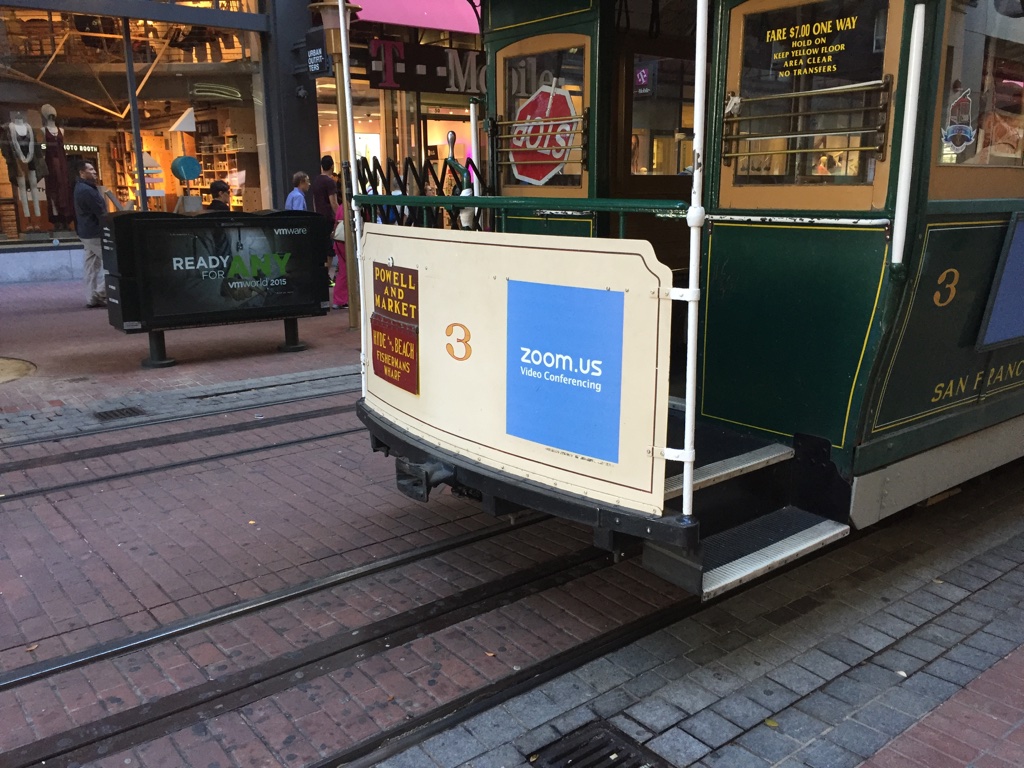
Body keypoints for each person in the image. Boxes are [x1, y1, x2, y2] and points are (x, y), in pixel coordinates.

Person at [73, 160, 107, 308]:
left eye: (94, 169)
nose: (94, 171)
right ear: (82, 173)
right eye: (91, 169)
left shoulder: (80, 188)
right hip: (95, 233)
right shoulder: (87, 190)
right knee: (115, 263)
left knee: (91, 265)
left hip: (85, 232)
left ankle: (91, 297)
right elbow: (100, 212)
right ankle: (99, 293)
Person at [331, 201, 349, 310]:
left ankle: (340, 299)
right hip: (345, 242)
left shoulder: (341, 206)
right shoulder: (352, 206)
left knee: (343, 271)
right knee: (345, 272)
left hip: (339, 242)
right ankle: (340, 300)